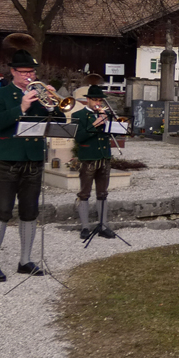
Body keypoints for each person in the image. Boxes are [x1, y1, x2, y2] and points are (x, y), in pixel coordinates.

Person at [0, 33, 61, 282]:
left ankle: (25, 261)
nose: (30, 76)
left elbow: (59, 123)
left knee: (30, 212)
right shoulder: (0, 95)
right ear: (13, 72)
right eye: (25, 72)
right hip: (6, 160)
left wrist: (53, 105)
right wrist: (23, 107)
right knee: (3, 211)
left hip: (33, 161)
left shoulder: (40, 95)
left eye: (32, 72)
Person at [72, 78, 116, 240]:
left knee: (103, 193)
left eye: (100, 100)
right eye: (95, 100)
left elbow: (114, 133)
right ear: (88, 100)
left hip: (104, 157)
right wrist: (96, 124)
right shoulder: (79, 115)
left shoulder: (105, 114)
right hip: (88, 157)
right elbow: (79, 137)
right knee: (84, 192)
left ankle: (103, 226)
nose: (98, 103)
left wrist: (109, 121)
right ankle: (85, 227)